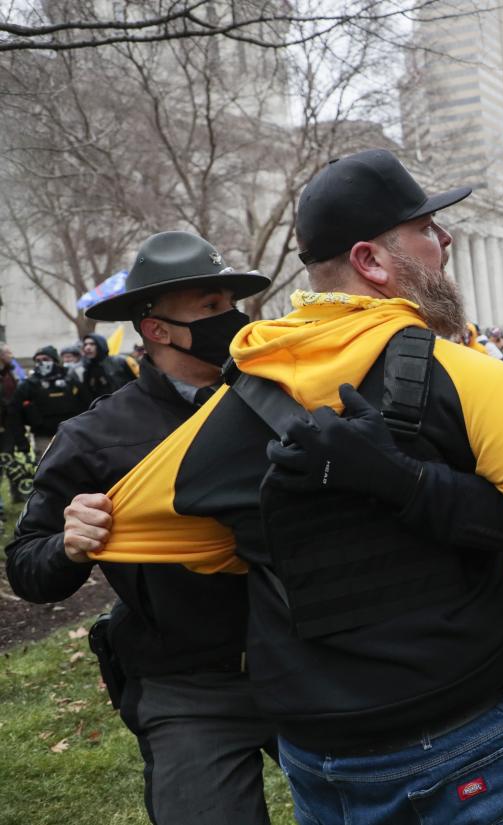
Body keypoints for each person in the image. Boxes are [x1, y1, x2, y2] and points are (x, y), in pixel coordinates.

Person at [89, 149, 503, 825]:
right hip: (469, 751)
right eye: (426, 230)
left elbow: (154, 530)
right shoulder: (472, 379)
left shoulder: (231, 409)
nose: (447, 241)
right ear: (373, 262)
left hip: (322, 764)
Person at [5, 230, 278, 825]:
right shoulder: (94, 438)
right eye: (209, 308)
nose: (229, 319)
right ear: (156, 328)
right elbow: (26, 565)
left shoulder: (281, 397)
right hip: (188, 686)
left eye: (231, 304)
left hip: (308, 661)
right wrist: (69, 545)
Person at [12, 345, 89, 456]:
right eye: (38, 360)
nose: (42, 363)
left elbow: (86, 404)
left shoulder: (70, 379)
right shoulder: (29, 384)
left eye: (45, 359)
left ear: (55, 361)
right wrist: (22, 443)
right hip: (43, 438)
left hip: (72, 435)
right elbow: (14, 413)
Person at [0, 342, 32, 509]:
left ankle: (17, 493)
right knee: (4, 459)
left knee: (11, 458)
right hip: (3, 424)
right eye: (7, 352)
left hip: (10, 425)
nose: (11, 354)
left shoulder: (11, 371)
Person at [80, 332, 139, 400]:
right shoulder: (86, 369)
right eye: (85, 344)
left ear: (101, 344)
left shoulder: (123, 361)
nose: (87, 347)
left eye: (92, 344)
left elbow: (142, 382)